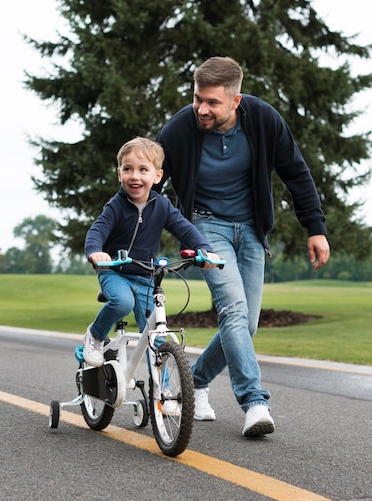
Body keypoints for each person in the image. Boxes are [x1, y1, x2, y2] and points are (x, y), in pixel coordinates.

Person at [156, 56, 330, 437]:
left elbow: (296, 172)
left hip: (251, 230)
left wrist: (315, 227)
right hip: (205, 227)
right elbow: (147, 181)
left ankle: (194, 382)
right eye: (198, 99)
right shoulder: (181, 128)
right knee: (233, 309)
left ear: (235, 101)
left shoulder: (264, 119)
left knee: (247, 323)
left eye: (212, 102)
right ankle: (255, 402)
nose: (201, 108)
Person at [83, 137, 221, 368]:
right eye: (128, 169)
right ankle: (96, 335)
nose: (135, 176)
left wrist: (205, 250)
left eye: (143, 170)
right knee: (122, 302)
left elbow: (185, 229)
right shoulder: (115, 206)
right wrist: (96, 251)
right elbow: (97, 231)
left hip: (146, 276)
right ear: (119, 174)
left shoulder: (163, 205)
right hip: (115, 272)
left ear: (157, 176)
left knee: (157, 335)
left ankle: (163, 391)